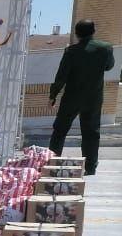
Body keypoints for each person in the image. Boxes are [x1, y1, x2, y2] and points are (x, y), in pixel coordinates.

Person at [48, 19, 115, 175]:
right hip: (93, 98)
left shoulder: (71, 51)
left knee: (59, 130)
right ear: (93, 31)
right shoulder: (105, 49)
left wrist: (53, 95)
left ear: (77, 34)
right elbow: (109, 66)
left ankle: (52, 163)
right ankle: (90, 168)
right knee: (91, 133)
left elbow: (61, 76)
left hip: (71, 98)